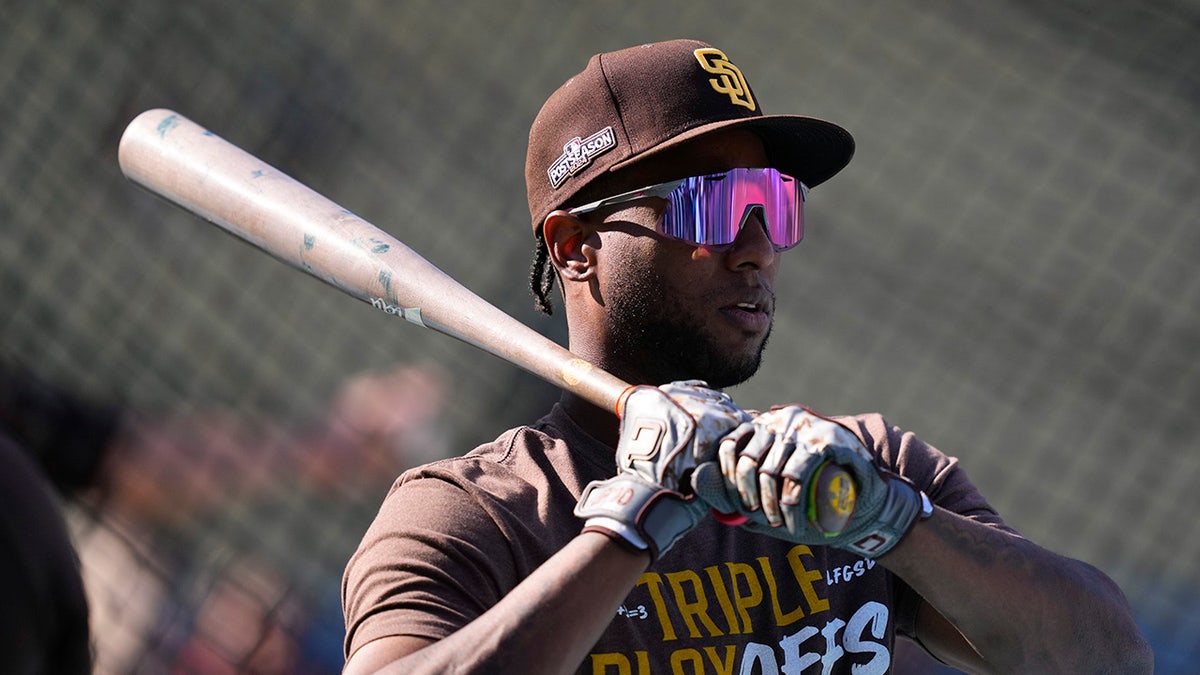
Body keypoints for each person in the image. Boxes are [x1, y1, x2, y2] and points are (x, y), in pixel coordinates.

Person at [341, 39, 1152, 674]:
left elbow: (1110, 657)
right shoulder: (477, 516)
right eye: (716, 206)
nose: (758, 249)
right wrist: (628, 523)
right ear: (576, 245)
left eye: (775, 205)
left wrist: (891, 520)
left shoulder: (856, 473)